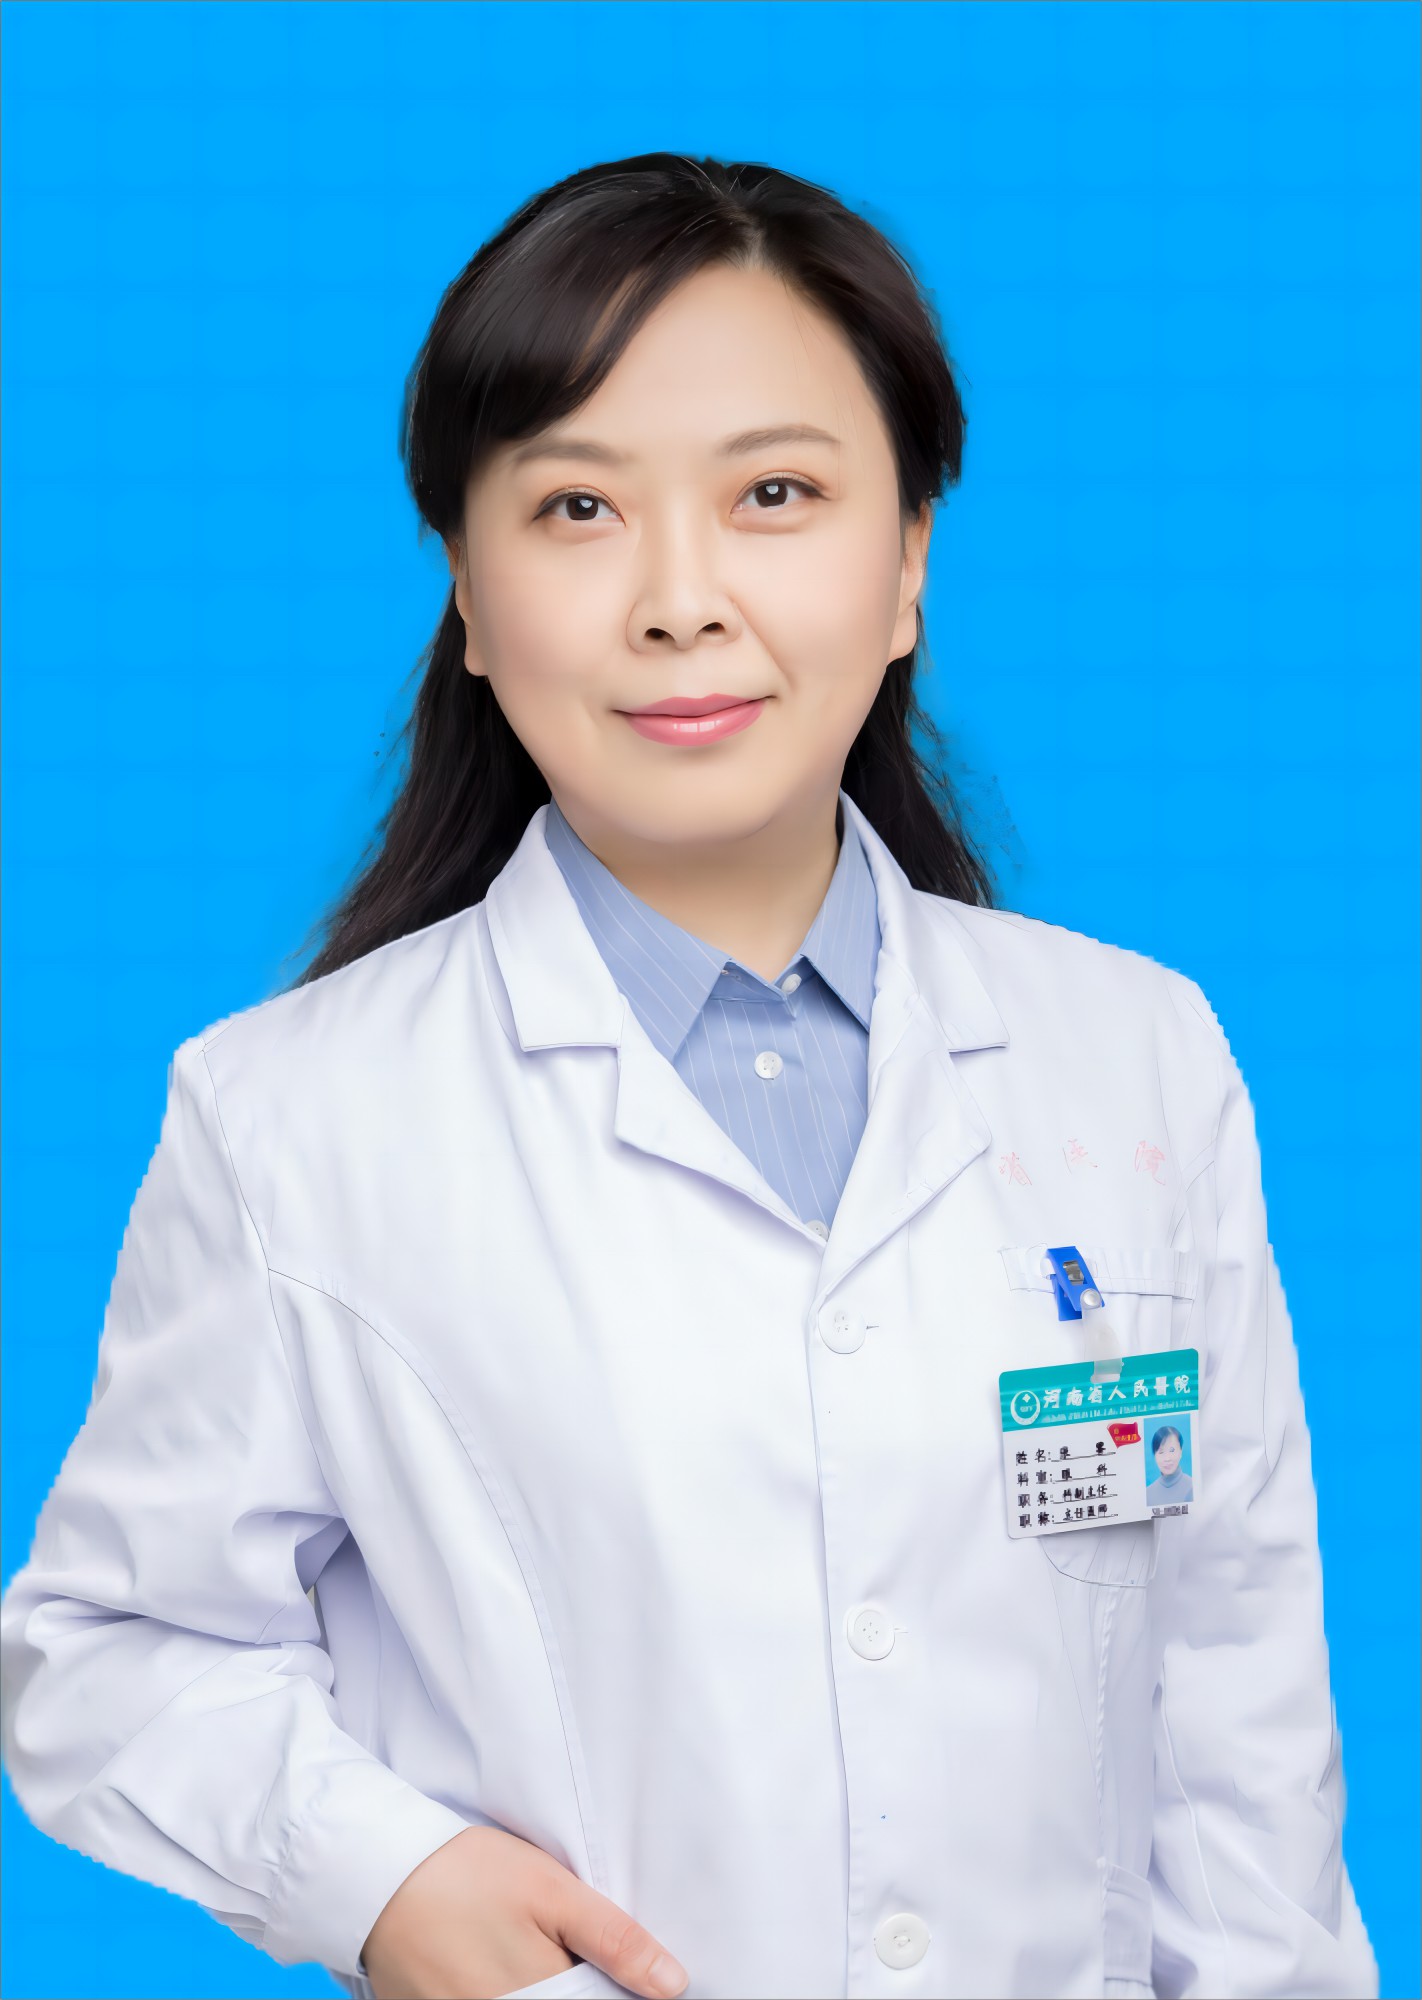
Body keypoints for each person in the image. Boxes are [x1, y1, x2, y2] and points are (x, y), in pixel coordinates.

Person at [0, 153, 1377, 2000]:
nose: (678, 599)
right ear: (468, 591)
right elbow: (108, 1650)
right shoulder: (290, 1120)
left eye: (774, 495)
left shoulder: (1133, 1054)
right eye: (576, 506)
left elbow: (1231, 1691)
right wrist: (383, 1882)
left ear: (906, 562)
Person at [1146, 1423, 1194, 1507]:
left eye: (1172, 1450)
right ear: (1154, 1455)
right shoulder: (1147, 1493)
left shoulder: (1193, 1487)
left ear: (1181, 1451)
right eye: (1161, 1452)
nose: (1167, 1458)